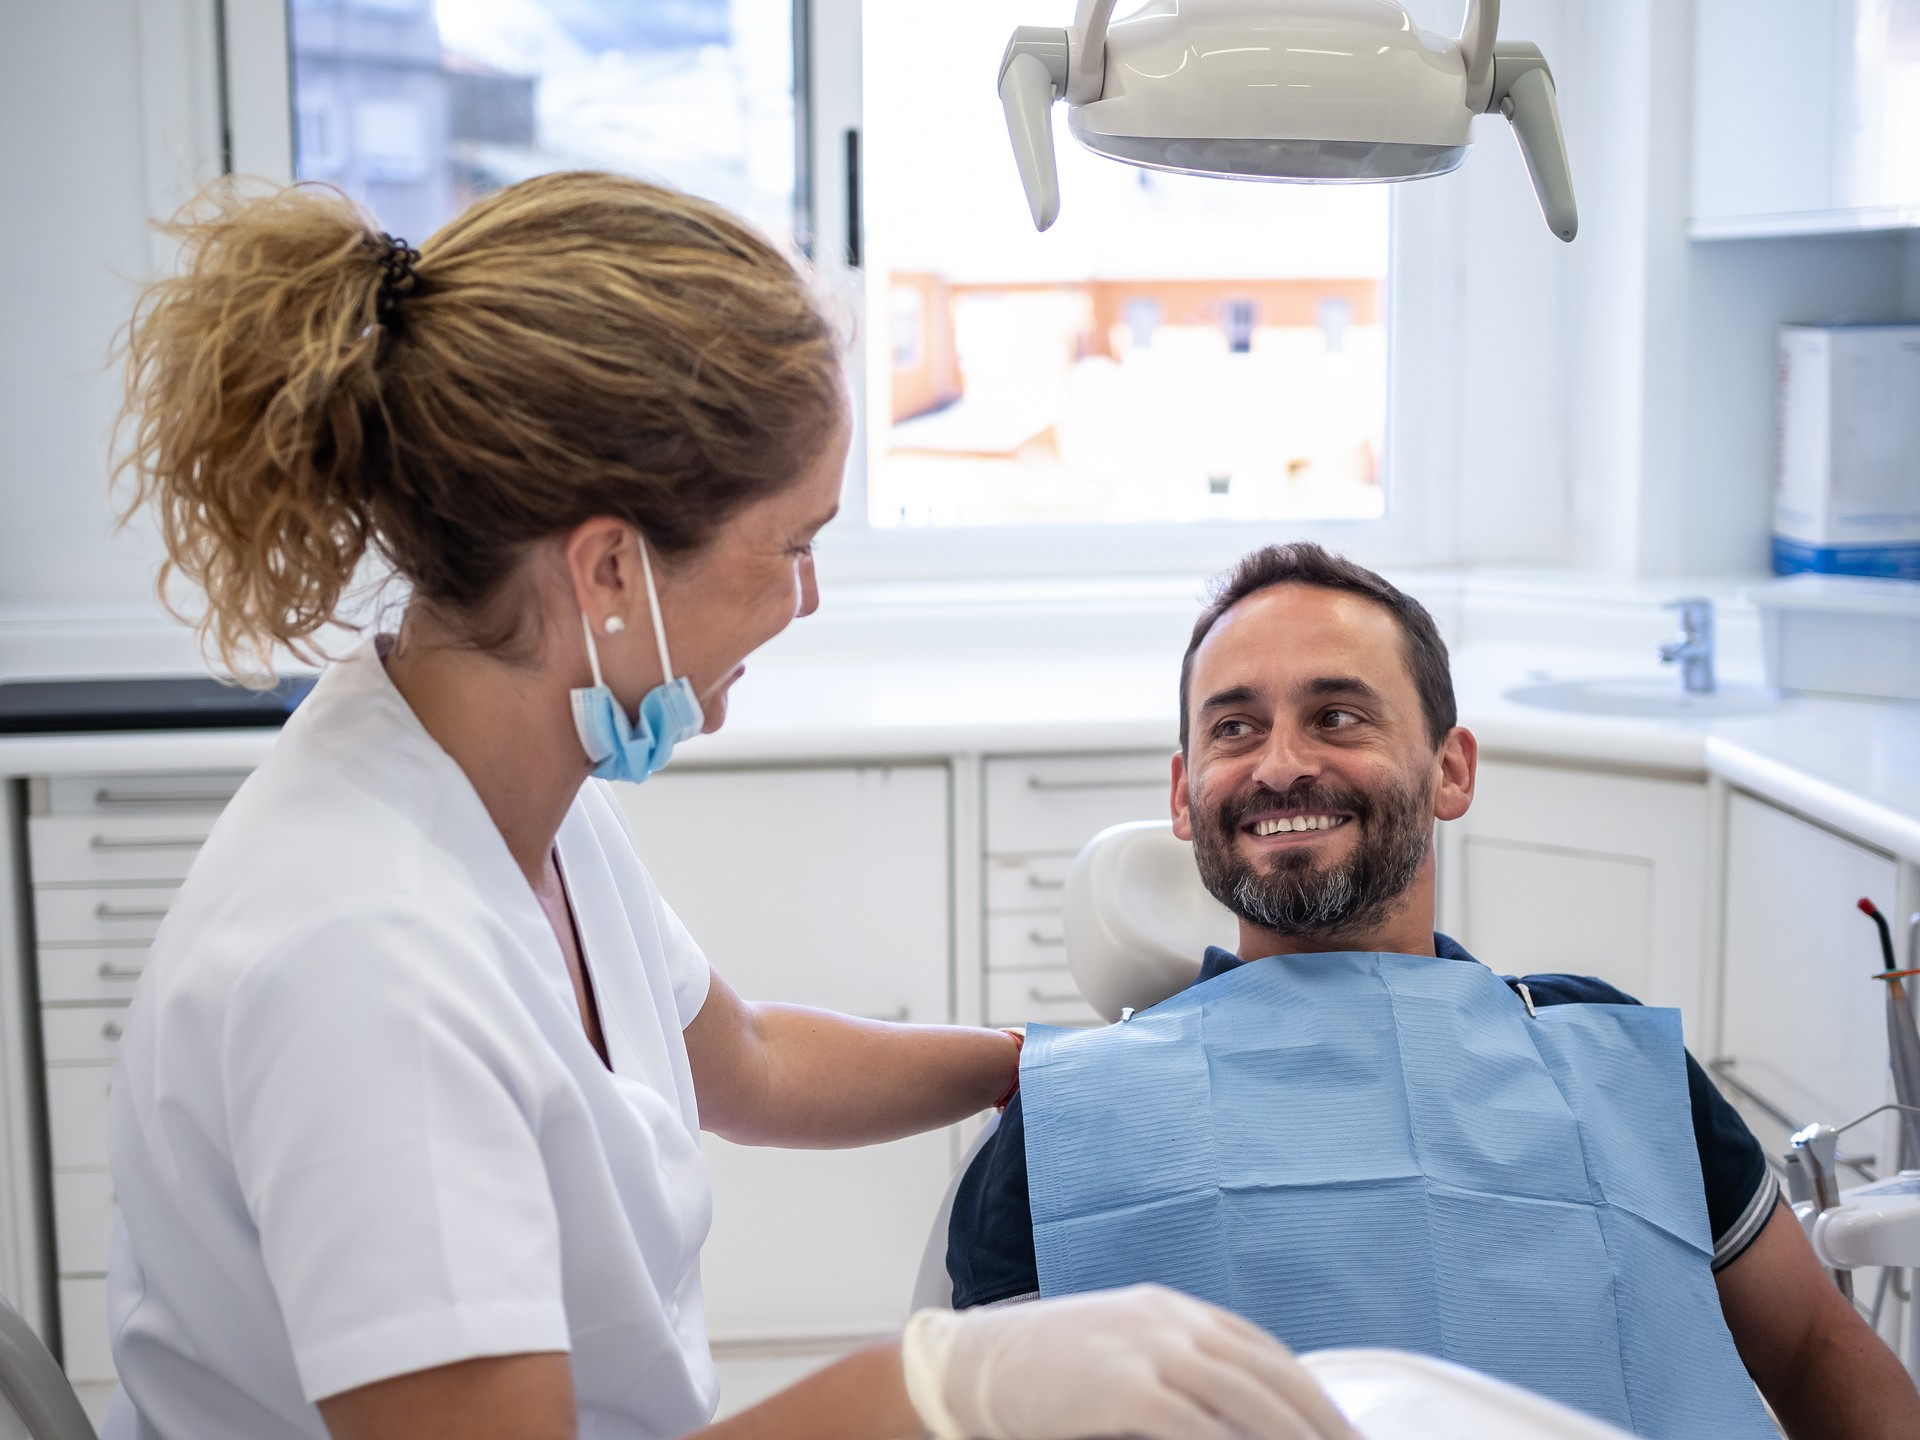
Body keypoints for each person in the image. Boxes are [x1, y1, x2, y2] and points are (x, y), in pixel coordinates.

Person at [103, 175, 1360, 1440]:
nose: (804, 601)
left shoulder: (504, 787)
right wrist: (940, 1385)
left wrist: (1051, 1071)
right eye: (793, 545)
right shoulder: (364, 963)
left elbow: (746, 1059)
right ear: (608, 570)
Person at [948, 542, 1920, 1438]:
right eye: (1236, 727)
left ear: (1450, 771)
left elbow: (1811, 1346)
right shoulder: (1066, 1123)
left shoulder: (1617, 1058)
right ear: (1182, 792)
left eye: (1337, 716)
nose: (1283, 764)